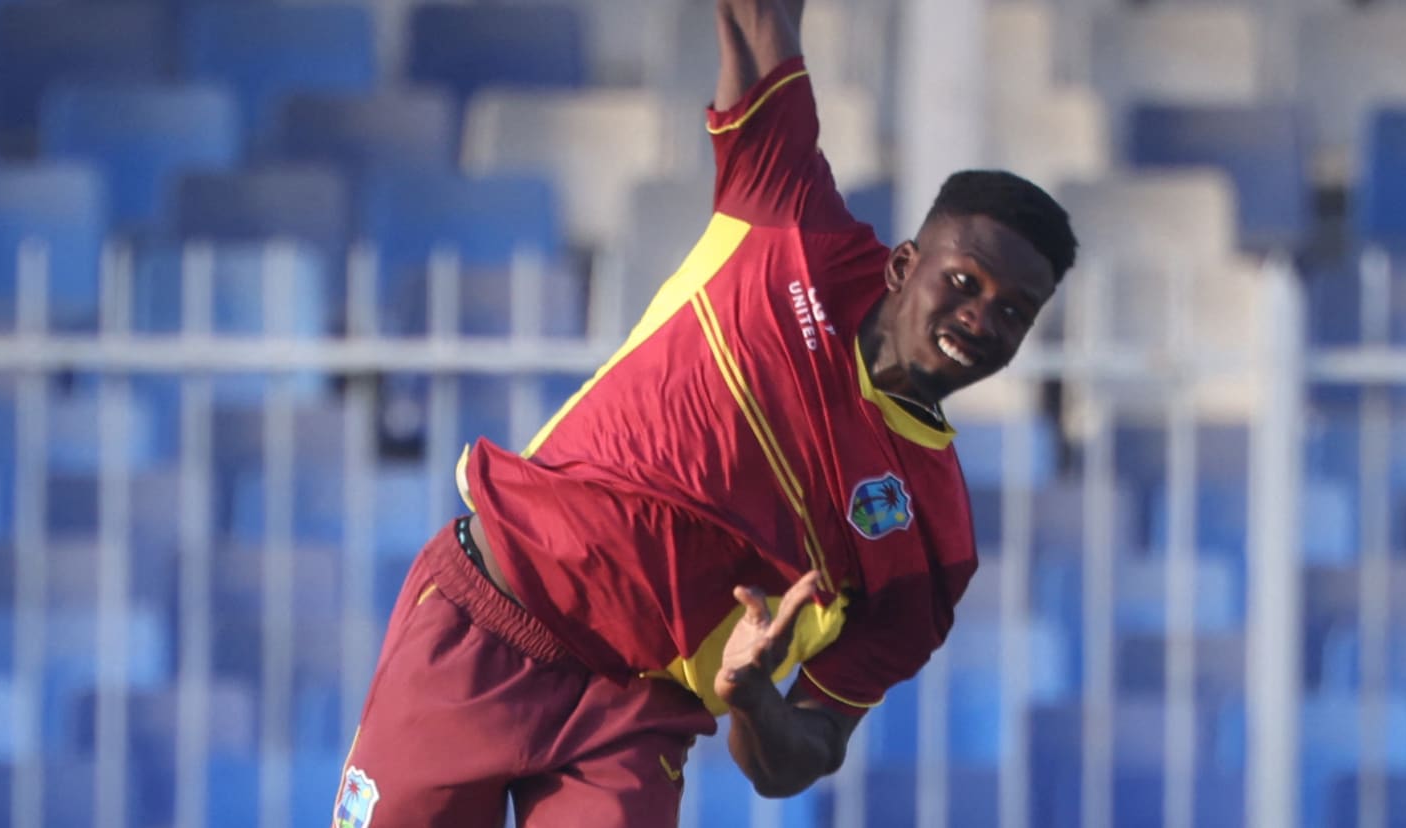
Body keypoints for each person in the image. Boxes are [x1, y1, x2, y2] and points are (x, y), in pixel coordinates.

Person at [332, 0, 1078, 824]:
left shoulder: (932, 549)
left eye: (1015, 311)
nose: (982, 319)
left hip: (632, 715)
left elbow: (802, 756)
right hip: (488, 620)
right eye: (966, 282)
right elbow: (763, 24)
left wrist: (756, 697)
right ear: (906, 263)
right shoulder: (790, 222)